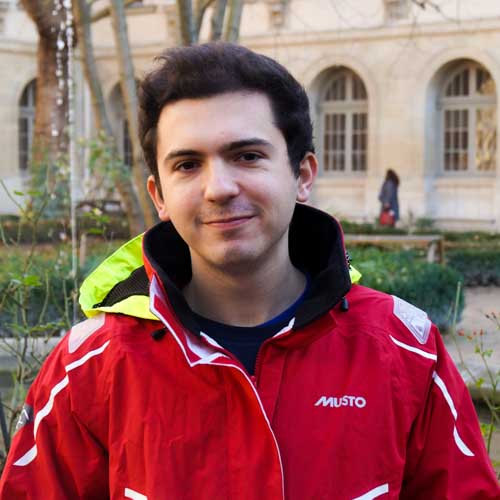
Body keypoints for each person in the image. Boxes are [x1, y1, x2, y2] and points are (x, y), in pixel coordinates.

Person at [1, 43, 498, 499]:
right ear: (159, 196)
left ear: (302, 175)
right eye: (187, 164)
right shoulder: (87, 369)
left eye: (247, 156)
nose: (218, 187)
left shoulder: (407, 353)